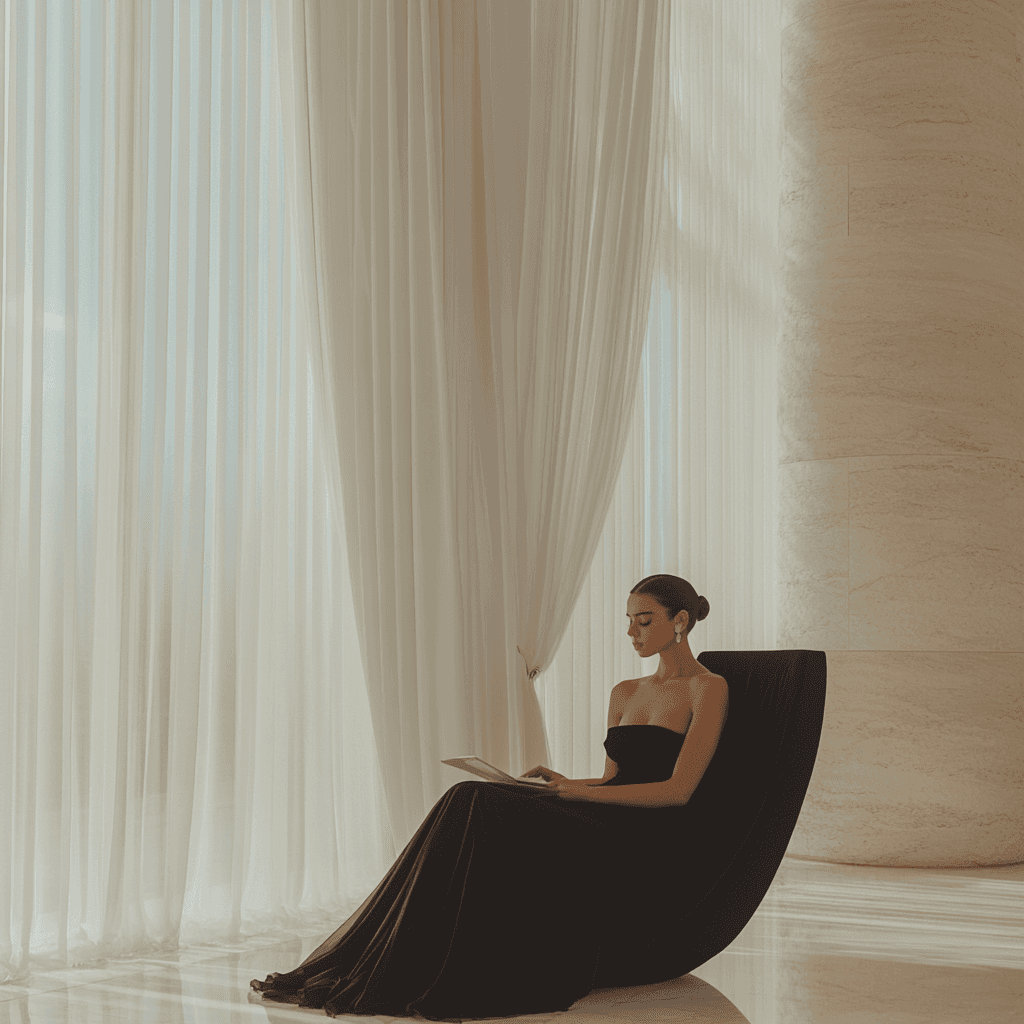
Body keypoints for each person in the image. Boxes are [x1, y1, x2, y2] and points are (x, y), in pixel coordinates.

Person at [250, 574, 729, 1021]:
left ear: (680, 622)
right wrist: (561, 782)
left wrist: (572, 797)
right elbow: (612, 779)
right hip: (603, 813)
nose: (631, 632)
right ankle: (413, 955)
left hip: (644, 835)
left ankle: (436, 961)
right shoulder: (626, 691)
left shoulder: (708, 689)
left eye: (643, 622)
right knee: (469, 794)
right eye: (627, 621)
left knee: (477, 803)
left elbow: (677, 791)